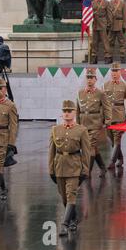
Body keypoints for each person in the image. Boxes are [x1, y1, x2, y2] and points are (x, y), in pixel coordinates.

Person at [48, 100, 90, 237]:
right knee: (64, 197)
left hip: (74, 167)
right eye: (64, 111)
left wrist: (85, 169)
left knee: (71, 195)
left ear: (74, 112)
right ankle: (73, 218)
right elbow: (51, 151)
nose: (66, 113)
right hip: (59, 166)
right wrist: (50, 169)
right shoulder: (55, 130)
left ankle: (64, 225)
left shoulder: (81, 130)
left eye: (69, 111)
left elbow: (86, 151)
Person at [76, 68, 112, 178]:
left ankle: (87, 171)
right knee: (93, 147)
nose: (89, 80)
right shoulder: (80, 93)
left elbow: (107, 107)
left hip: (95, 123)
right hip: (83, 123)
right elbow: (78, 109)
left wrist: (108, 120)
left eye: (92, 78)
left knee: (90, 146)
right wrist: (77, 124)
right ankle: (102, 167)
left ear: (95, 79)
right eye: (88, 77)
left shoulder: (100, 93)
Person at [103, 63, 126, 170]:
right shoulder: (105, 85)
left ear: (120, 72)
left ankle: (112, 161)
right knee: (111, 138)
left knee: (117, 138)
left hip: (120, 115)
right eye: (113, 71)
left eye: (116, 71)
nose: (114, 73)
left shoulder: (125, 86)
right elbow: (102, 102)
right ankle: (120, 158)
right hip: (108, 116)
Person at [92, 0, 113, 64]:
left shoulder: (106, 3)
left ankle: (108, 56)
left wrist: (109, 24)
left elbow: (109, 14)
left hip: (103, 24)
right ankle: (94, 56)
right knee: (94, 42)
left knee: (105, 41)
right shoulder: (92, 3)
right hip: (95, 24)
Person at [109, 0, 126, 64]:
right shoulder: (110, 3)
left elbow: (125, 15)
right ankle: (109, 57)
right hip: (112, 25)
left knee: (122, 43)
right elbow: (108, 15)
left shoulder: (123, 3)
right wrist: (108, 25)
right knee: (110, 42)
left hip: (120, 25)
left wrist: (124, 26)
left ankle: (122, 57)